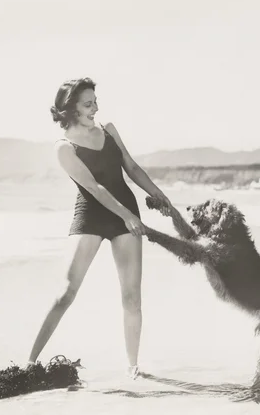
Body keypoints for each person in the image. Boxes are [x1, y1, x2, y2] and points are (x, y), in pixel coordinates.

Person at [27, 77, 172, 379]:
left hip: (125, 211)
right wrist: (127, 216)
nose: (95, 108)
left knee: (132, 296)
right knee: (67, 292)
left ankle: (133, 367)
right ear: (70, 109)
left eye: (95, 101)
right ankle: (28, 363)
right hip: (92, 214)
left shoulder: (109, 130)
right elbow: (93, 188)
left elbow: (131, 168)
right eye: (88, 103)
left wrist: (159, 195)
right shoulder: (64, 148)